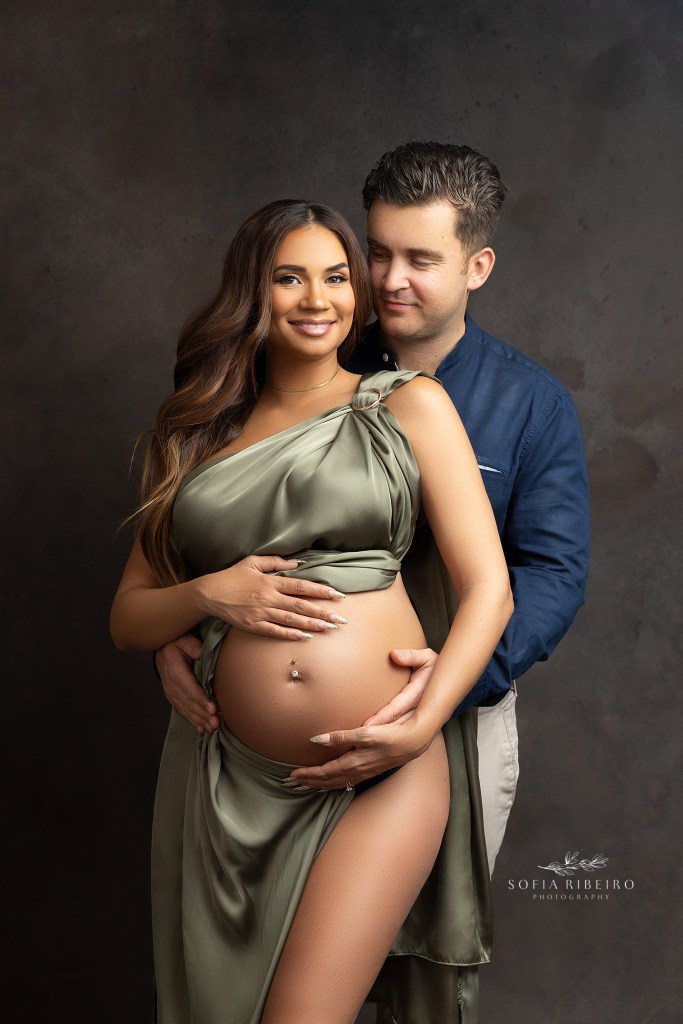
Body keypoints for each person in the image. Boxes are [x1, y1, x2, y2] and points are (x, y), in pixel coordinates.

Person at [110, 199, 513, 1024]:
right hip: (226, 778)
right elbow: (129, 618)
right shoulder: (196, 432)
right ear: (251, 291)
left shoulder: (407, 405)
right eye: (289, 278)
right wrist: (208, 594)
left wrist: (421, 722)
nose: (317, 299)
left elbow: (489, 589)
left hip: (382, 768)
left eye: (335, 277)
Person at [156, 143, 590, 882]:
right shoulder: (304, 356)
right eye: (378, 252)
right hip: (257, 746)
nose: (389, 280)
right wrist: (176, 629)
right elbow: (210, 512)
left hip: (458, 716)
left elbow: (552, 574)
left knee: (428, 942)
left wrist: (444, 689)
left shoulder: (532, 403)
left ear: (476, 267)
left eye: (420, 260)